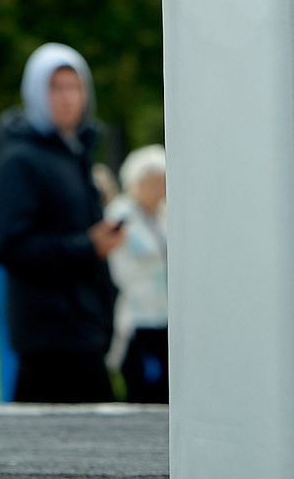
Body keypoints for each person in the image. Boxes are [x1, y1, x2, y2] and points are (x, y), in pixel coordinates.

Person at [0, 45, 119, 404]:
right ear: (35, 93)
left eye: (74, 87)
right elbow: (6, 244)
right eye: (56, 88)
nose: (66, 98)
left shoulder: (75, 152)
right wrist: (86, 247)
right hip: (49, 337)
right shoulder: (20, 160)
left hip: (84, 329)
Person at [104, 146, 168, 404]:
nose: (161, 188)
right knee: (141, 385)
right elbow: (118, 268)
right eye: (155, 181)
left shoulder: (166, 214)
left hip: (166, 315)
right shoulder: (120, 215)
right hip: (137, 315)